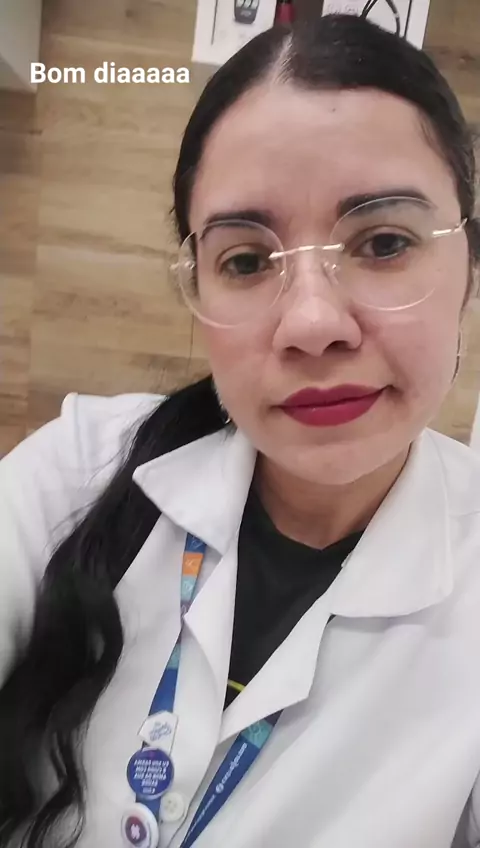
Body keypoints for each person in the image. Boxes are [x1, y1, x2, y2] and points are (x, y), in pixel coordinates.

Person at [1, 11, 480, 848]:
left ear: (469, 266)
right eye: (247, 261)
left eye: (383, 242)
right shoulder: (77, 472)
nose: (313, 324)